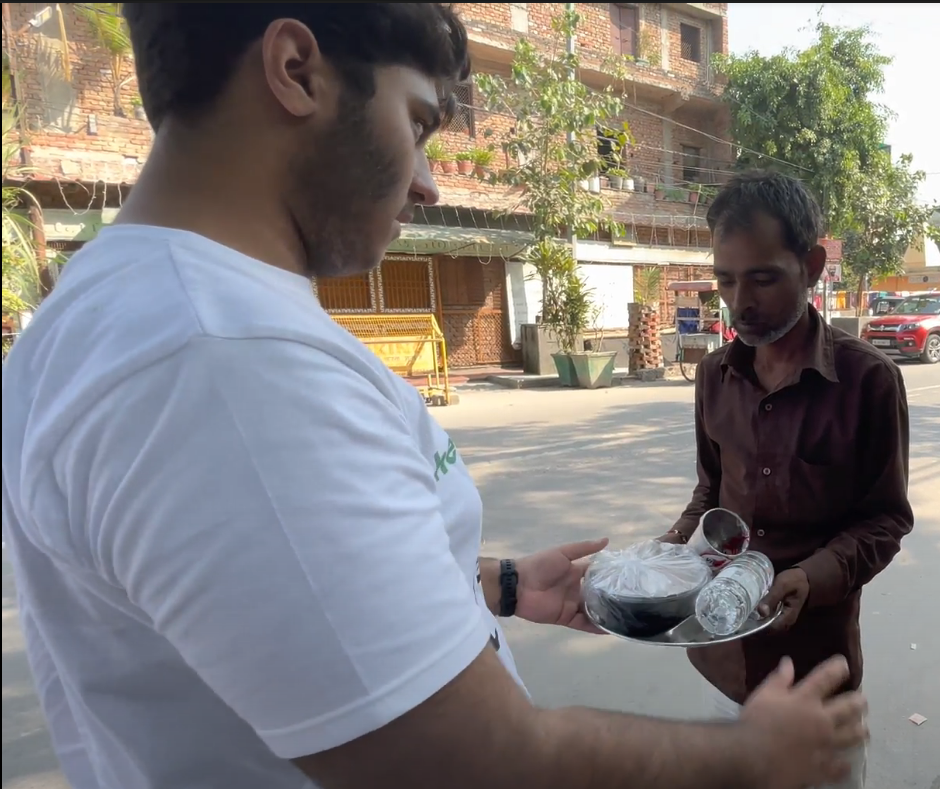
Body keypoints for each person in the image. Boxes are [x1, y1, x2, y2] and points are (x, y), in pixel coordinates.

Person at [1, 6, 867, 789]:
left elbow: (276, 597)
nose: (429, 183)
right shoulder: (227, 362)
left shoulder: (114, 309)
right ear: (296, 70)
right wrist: (750, 757)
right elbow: (477, 757)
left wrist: (495, 585)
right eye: (416, 121)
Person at [662, 170, 914, 789]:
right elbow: (710, 489)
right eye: (726, 280)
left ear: (813, 265)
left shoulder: (868, 383)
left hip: (815, 680)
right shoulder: (714, 376)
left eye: (763, 278)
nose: (739, 301)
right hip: (723, 668)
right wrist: (668, 548)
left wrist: (810, 577)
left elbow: (886, 519)